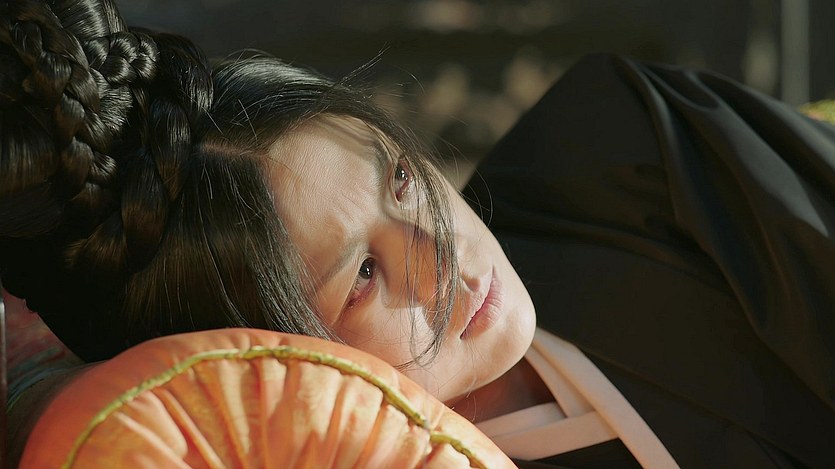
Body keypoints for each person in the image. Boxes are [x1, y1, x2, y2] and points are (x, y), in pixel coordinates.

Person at [3, 1, 835, 467]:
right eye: (363, 274)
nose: (441, 256)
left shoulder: (626, 150)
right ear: (279, 359)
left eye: (400, 178)